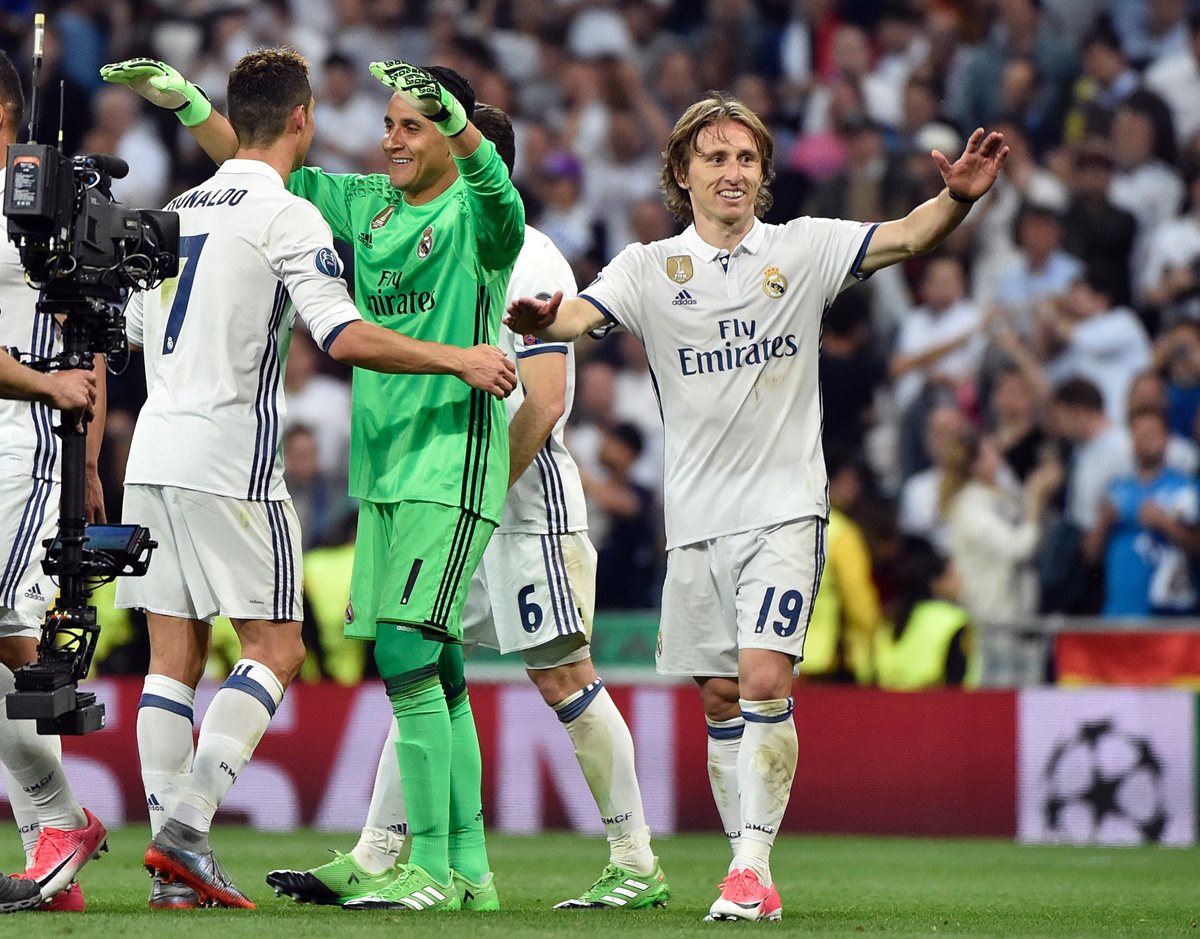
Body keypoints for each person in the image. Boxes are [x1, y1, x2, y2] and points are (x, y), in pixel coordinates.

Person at [507, 92, 1008, 921]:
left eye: (745, 158)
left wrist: (957, 196)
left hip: (784, 507)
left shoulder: (805, 249)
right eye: (715, 158)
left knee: (765, 676)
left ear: (764, 173)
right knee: (718, 695)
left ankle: (748, 867)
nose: (733, 171)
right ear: (682, 173)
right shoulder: (646, 267)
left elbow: (911, 235)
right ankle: (752, 868)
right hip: (696, 518)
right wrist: (541, 317)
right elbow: (577, 312)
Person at [102, 54, 524, 912]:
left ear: (448, 130)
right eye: (390, 122)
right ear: (305, 117)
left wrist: (187, 104)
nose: (391, 137)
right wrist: (460, 358)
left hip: (157, 450)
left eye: (414, 123)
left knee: (174, 661)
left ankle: (435, 865)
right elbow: (332, 315)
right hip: (240, 456)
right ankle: (185, 834)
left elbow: (495, 194)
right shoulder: (331, 208)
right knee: (282, 647)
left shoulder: (177, 210)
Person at [266, 105, 668, 912]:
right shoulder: (431, 238)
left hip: (524, 508)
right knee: (421, 661)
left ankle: (636, 860)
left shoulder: (525, 255)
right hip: (447, 492)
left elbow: (547, 400)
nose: (404, 151)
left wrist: (475, 496)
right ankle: (382, 852)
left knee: (562, 677)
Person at [0, 48, 108, 913]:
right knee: (11, 647)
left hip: (22, 439)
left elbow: (84, 345)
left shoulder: (42, 207)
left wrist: (88, 455)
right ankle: (53, 841)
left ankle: (55, 823)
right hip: (21, 419)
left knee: (10, 638)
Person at [1086, 407, 1200, 616]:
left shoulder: (1186, 489)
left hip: (1169, 616)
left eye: (1152, 434)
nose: (1146, 440)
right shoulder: (1115, 489)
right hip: (1118, 614)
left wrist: (1165, 524)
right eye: (1140, 435)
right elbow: (1090, 556)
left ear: (1168, 438)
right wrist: (1103, 522)